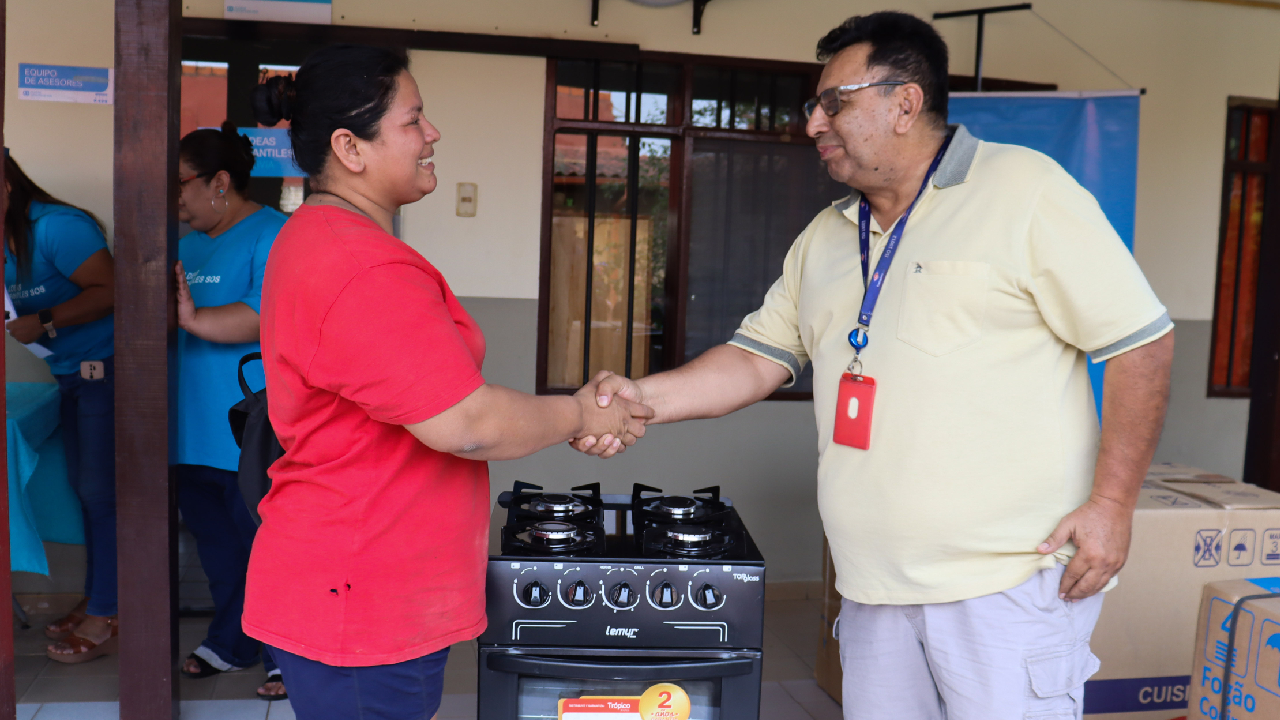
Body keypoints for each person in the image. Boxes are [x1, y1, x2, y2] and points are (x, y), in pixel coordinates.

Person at [577, 12, 1174, 720]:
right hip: (872, 589)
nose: (812, 125)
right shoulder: (827, 237)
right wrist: (636, 397)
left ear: (905, 102)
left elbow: (1141, 341)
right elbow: (752, 361)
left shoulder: (1026, 191)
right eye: (814, 105)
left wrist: (1111, 507)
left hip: (1006, 587)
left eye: (835, 102)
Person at [244, 45, 651, 720]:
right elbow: (466, 423)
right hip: (362, 596)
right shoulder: (359, 265)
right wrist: (582, 414)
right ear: (351, 147)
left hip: (358, 582)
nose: (432, 135)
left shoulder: (320, 237)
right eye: (414, 120)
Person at [172, 122, 288, 701]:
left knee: (267, 548)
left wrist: (194, 320)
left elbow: (269, 317)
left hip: (252, 429)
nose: (176, 201)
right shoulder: (179, 242)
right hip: (186, 427)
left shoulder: (276, 234)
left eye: (182, 185)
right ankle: (233, 641)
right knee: (217, 548)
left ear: (220, 181)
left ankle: (284, 656)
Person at [1, 155, 118, 664]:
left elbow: (117, 290)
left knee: (103, 493)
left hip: (110, 372)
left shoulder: (56, 227)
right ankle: (99, 596)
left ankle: (111, 610)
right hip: (70, 376)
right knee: (86, 492)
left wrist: (45, 320)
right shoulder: (9, 240)